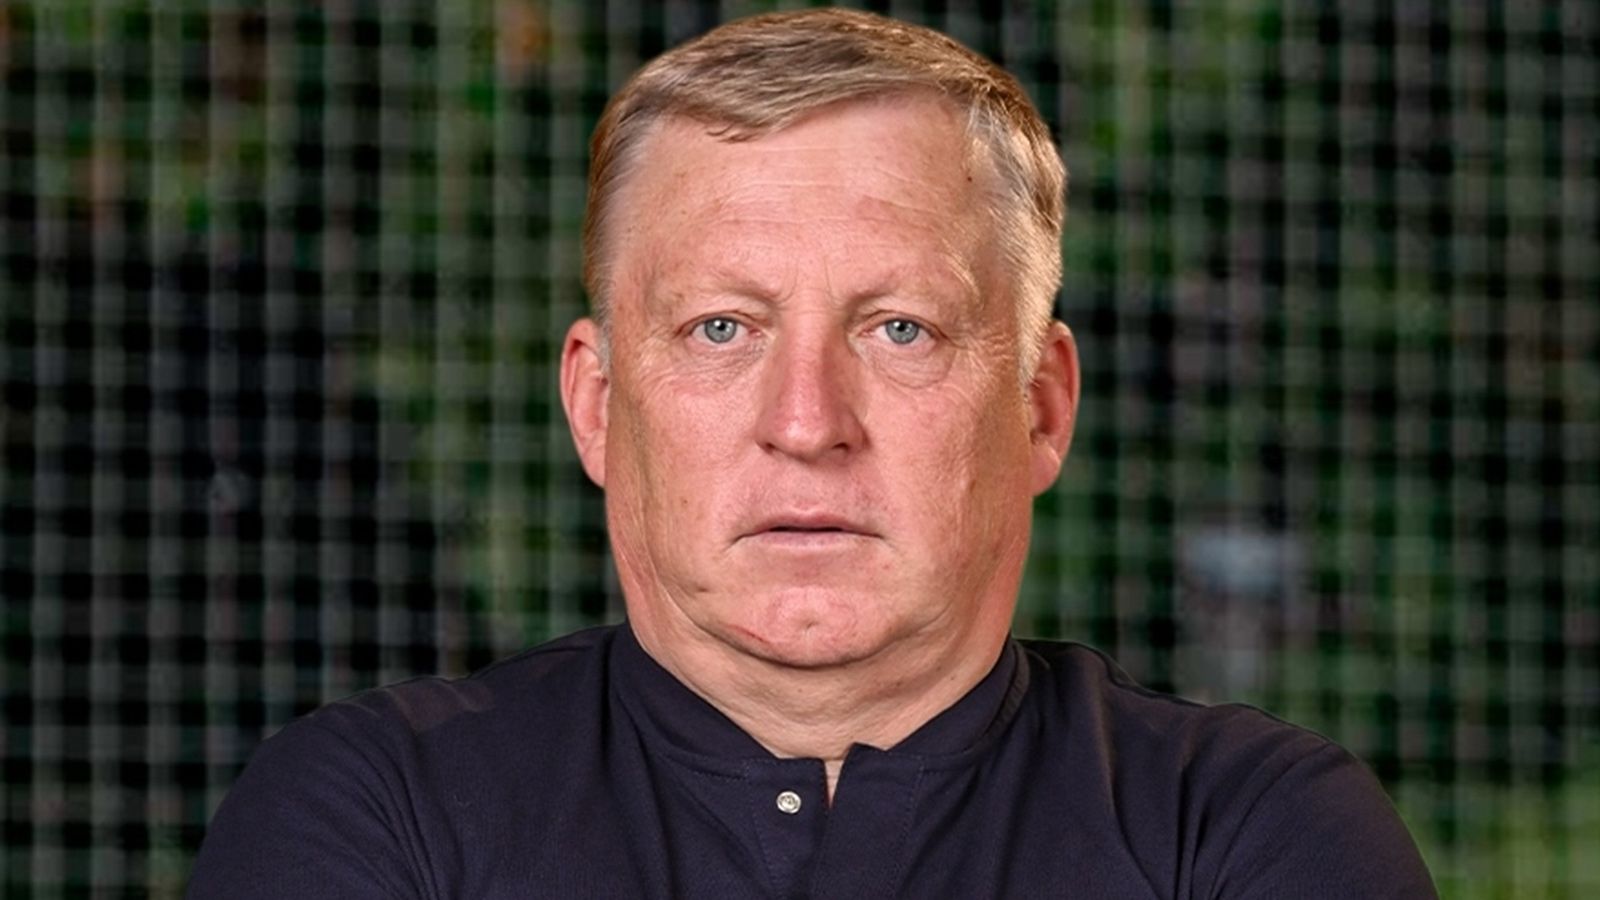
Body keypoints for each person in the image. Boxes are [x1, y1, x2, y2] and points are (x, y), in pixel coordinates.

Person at [188, 9, 1437, 898]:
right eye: (720, 328)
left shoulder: (1244, 835)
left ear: (1041, 406)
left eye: (899, 329)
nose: (806, 421)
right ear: (597, 405)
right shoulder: (380, 818)